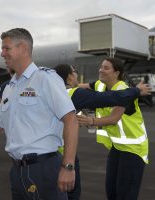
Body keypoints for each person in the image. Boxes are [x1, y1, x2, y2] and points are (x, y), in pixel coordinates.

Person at [0, 28, 78, 200]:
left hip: (42, 169)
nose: (2, 53)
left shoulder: (46, 79)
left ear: (23, 49)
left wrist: (68, 166)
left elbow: (71, 120)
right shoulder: (11, 86)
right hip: (17, 171)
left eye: (7, 48)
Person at [54, 64, 151, 200]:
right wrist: (136, 90)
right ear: (70, 77)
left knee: (123, 193)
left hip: (133, 148)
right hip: (67, 154)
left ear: (116, 73)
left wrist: (91, 121)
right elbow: (104, 97)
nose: (100, 69)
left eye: (106, 68)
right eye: (100, 66)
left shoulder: (122, 89)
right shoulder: (77, 92)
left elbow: (113, 117)